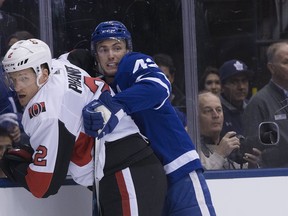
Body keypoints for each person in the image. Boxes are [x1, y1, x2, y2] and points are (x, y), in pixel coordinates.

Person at [0, 38, 167, 216]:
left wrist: (13, 167)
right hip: (124, 175)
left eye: (24, 78)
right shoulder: (60, 64)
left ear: (43, 74)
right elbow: (80, 57)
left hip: (127, 176)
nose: (17, 87)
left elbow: (43, 186)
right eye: (12, 79)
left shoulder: (47, 113)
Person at [83, 20, 216, 216]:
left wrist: (114, 104)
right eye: (103, 49)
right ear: (96, 55)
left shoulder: (132, 63)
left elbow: (158, 86)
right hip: (142, 182)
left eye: (117, 48)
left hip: (177, 169)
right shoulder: (94, 89)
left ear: (128, 50)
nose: (111, 55)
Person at [243, 41, 288, 168]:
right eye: (286, 62)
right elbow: (254, 150)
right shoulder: (259, 103)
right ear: (271, 68)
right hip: (275, 178)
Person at [198, 91, 261, 169]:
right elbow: (200, 177)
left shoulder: (230, 146)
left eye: (219, 110)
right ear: (195, 117)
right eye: (208, 111)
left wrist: (252, 166)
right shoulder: (191, 148)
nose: (216, 115)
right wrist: (220, 154)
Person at [219, 59, 253, 137]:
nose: (241, 87)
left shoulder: (253, 107)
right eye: (234, 82)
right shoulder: (216, 111)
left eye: (244, 81)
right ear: (222, 86)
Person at [153, 53, 187, 128]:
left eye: (165, 77)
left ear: (172, 78)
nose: (161, 82)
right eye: (157, 77)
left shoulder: (183, 105)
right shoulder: (141, 107)